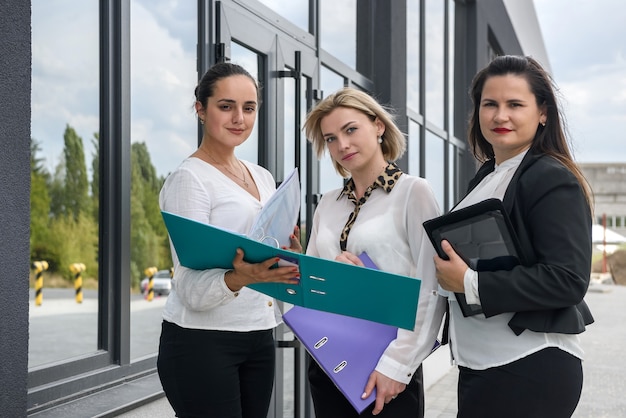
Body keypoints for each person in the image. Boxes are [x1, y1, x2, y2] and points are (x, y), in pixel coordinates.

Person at [433, 55, 595, 418]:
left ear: (543, 113)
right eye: (489, 104)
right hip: (484, 367)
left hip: (527, 367)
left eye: (515, 104)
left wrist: (469, 282)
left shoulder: (551, 177)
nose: (499, 116)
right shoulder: (490, 176)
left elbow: (567, 280)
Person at [157, 62, 301, 418]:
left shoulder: (263, 177)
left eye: (249, 108)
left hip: (258, 333)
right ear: (201, 110)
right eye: (226, 106)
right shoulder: (189, 179)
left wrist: (288, 254)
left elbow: (268, 254)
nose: (239, 117)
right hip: (202, 343)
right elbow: (189, 287)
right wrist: (242, 276)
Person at [303, 87, 446, 417]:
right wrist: (331, 275)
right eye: (331, 139)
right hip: (328, 363)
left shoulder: (413, 193)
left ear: (378, 126)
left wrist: (398, 366)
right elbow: (310, 286)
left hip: (387, 366)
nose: (343, 145)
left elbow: (431, 288)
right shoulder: (327, 203)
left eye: (350, 130)